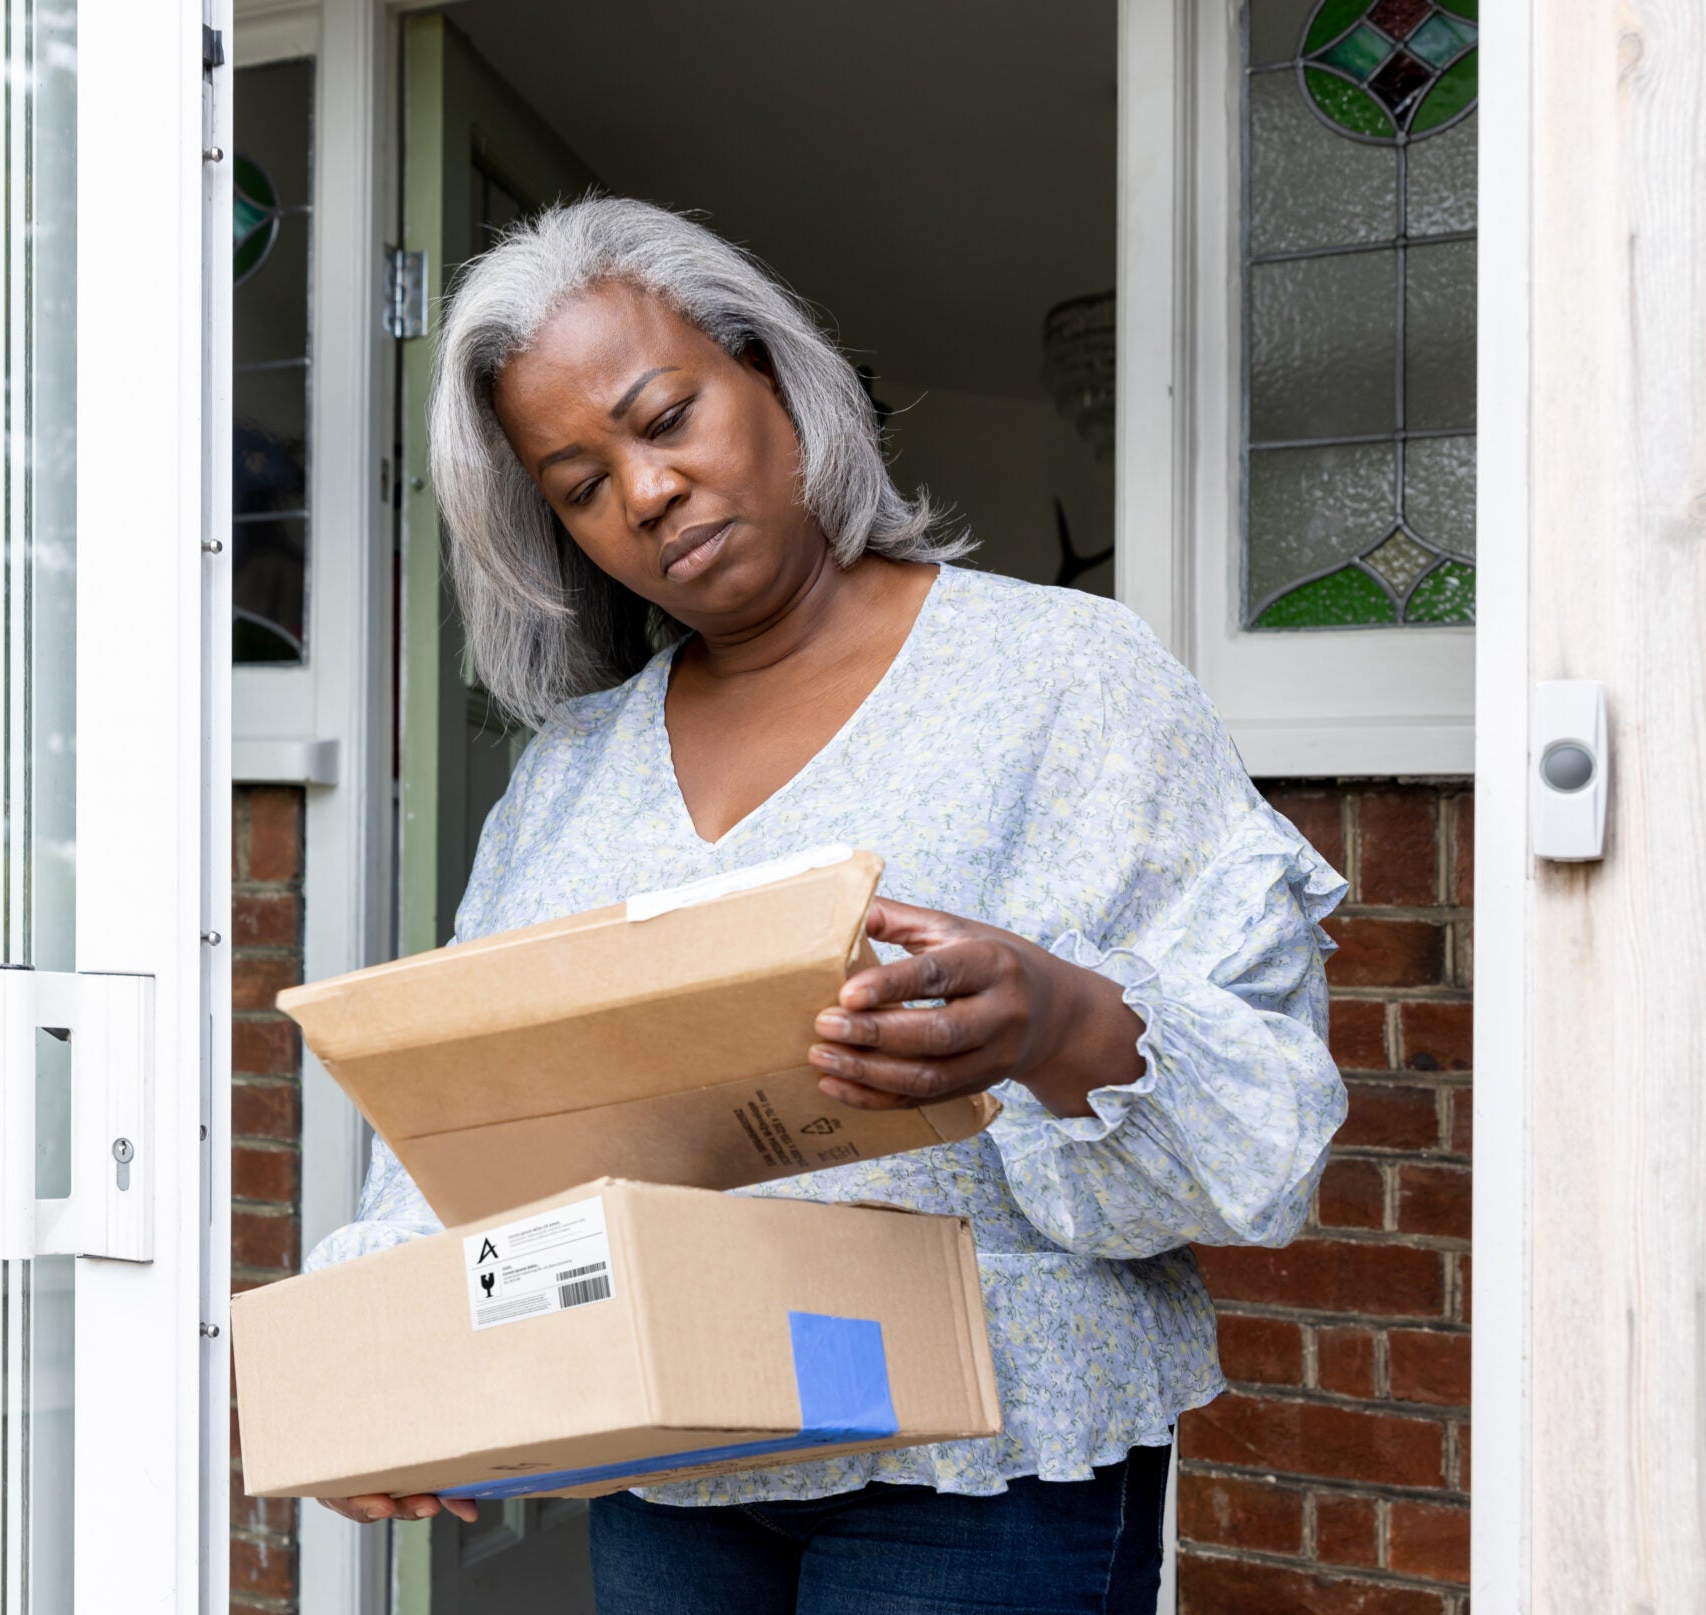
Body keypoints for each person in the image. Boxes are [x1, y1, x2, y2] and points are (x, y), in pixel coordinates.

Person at [305, 197, 1345, 1615]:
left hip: (981, 1466)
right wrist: (390, 1368)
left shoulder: (1068, 681)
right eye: (580, 481)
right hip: (681, 1455)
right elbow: (468, 1133)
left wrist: (1051, 1017)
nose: (647, 492)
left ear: (780, 381)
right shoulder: (571, 777)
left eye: (665, 417)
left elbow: (1261, 1136)